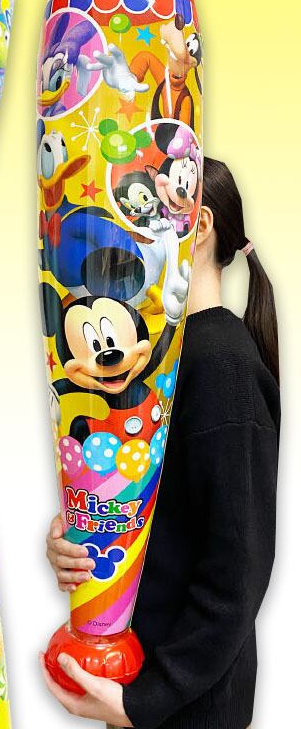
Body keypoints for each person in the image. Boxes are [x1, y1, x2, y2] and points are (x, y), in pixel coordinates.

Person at [42, 157, 280, 729]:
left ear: (199, 225)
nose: (126, 236)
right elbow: (152, 512)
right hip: (138, 681)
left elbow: (238, 569)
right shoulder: (151, 364)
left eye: (143, 214)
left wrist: (145, 701)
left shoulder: (221, 365)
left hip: (185, 708)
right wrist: (81, 538)